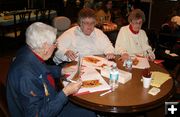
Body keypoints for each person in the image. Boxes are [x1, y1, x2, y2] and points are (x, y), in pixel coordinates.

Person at [6, 22, 96, 117]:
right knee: (89, 113)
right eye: (54, 43)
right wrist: (65, 92)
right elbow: (37, 115)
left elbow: (40, 69)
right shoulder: (26, 76)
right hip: (45, 109)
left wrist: (61, 70)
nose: (56, 46)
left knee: (84, 107)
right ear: (45, 46)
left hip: (47, 98)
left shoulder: (28, 50)